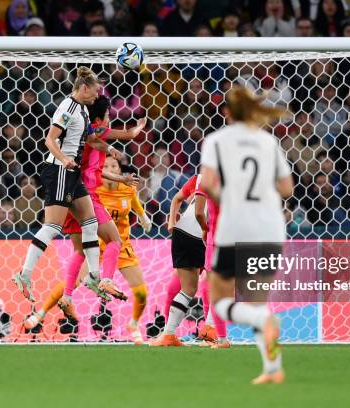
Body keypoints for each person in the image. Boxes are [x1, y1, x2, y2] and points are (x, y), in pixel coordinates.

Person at [199, 86, 294, 384]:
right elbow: (287, 189)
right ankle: (272, 367)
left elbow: (210, 184)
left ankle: (260, 324)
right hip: (269, 226)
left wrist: (229, 193)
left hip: (234, 227)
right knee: (258, 300)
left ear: (226, 112)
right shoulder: (268, 142)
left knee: (219, 301)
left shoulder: (215, 141)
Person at [12, 67, 123, 303]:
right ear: (83, 88)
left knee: (90, 222)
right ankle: (25, 274)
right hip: (60, 170)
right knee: (52, 227)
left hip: (73, 173)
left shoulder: (82, 108)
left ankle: (94, 276)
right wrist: (64, 159)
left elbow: (92, 140)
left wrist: (110, 148)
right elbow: (49, 139)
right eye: (94, 91)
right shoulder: (67, 108)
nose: (96, 97)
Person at [24, 156, 151, 344]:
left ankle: (133, 323)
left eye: (113, 166)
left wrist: (144, 218)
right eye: (105, 165)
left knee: (141, 293)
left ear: (118, 170)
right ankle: (41, 313)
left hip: (121, 247)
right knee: (71, 283)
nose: (109, 168)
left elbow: (138, 208)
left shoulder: (127, 190)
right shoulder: (92, 192)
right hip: (95, 247)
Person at [150, 174, 208, 347]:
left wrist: (171, 223)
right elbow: (200, 212)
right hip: (203, 236)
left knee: (187, 289)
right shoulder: (225, 182)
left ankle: (169, 334)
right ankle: (213, 334)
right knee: (216, 285)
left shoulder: (199, 177)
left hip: (181, 233)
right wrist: (206, 230)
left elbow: (176, 198)